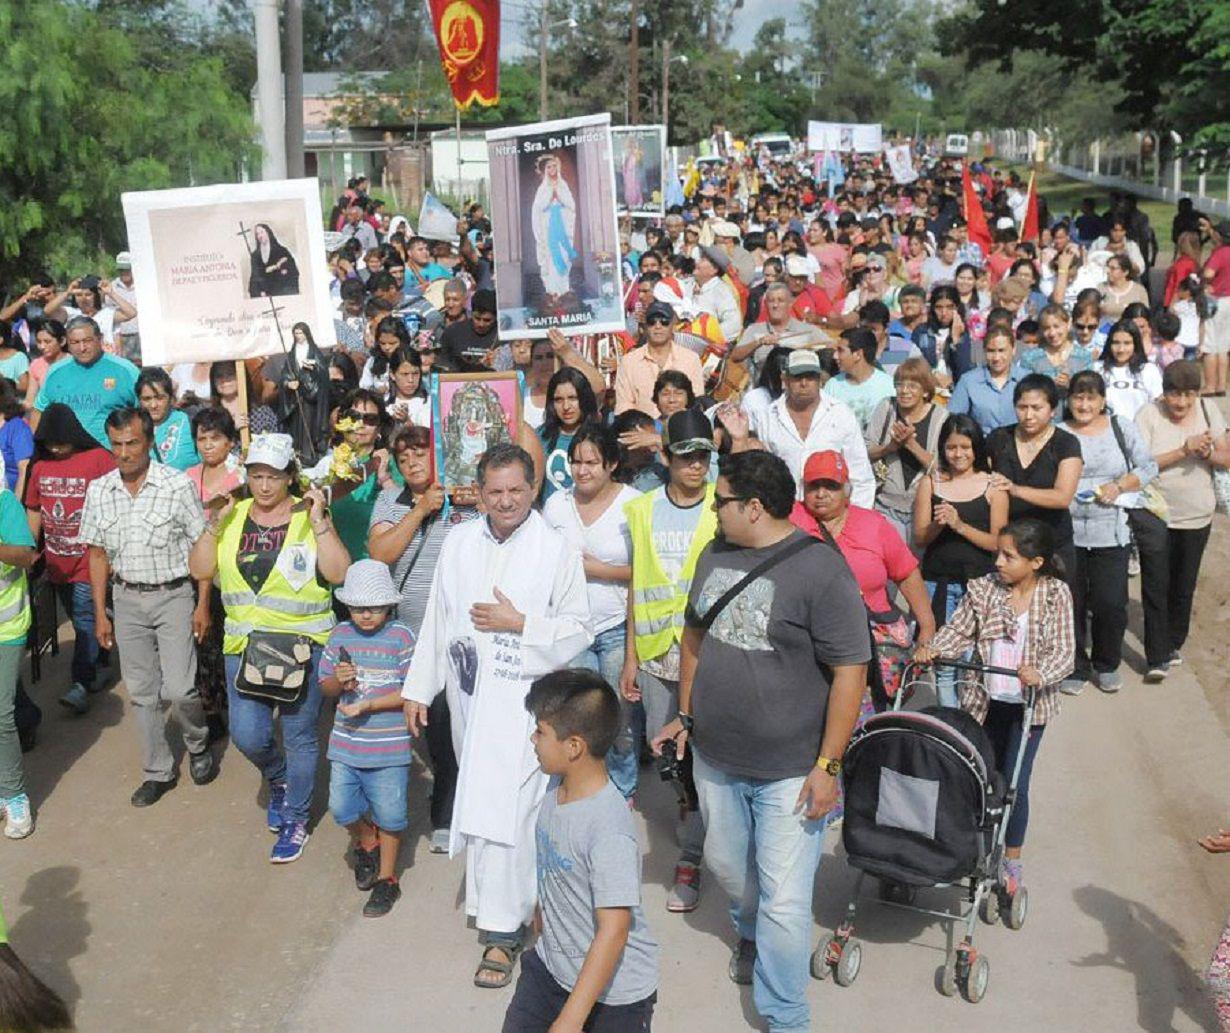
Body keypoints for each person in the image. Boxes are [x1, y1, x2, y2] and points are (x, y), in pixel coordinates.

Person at [651, 449, 870, 1033]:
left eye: (721, 501)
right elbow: (694, 636)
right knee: (728, 867)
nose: (714, 510)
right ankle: (749, 933)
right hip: (716, 759)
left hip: (792, 771)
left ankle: (785, 1014)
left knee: (786, 897)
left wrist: (828, 764)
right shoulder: (714, 554)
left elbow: (852, 669)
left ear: (753, 506)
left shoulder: (822, 571)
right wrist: (685, 716)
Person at [402, 444, 591, 990]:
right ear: (479, 493)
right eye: (495, 491)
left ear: (534, 490)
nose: (506, 501)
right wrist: (420, 687)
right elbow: (439, 618)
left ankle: (503, 934)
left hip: (528, 708)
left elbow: (579, 629)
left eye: (516, 490)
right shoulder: (460, 542)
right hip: (470, 703)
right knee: (487, 807)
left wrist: (521, 623)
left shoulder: (556, 550)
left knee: (512, 814)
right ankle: (508, 907)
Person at [188, 432, 350, 860]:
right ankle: (278, 777)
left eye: (273, 477)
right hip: (243, 646)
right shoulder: (233, 514)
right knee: (248, 734)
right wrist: (212, 525)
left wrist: (321, 522)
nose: (263, 486)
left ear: (290, 478)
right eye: (256, 476)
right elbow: (200, 567)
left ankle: (296, 817)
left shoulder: (307, 515)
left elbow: (338, 574)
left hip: (303, 646)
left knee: (299, 735)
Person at [914, 519, 1075, 896]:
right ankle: (967, 848)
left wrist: (1040, 672)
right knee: (977, 777)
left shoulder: (1056, 595)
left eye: (1009, 556)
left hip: (1028, 708)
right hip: (984, 701)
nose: (999, 562)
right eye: (998, 554)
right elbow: (959, 630)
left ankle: (1011, 860)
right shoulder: (983, 589)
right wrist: (935, 648)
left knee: (1014, 784)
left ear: (1036, 562)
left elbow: (1065, 652)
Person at [504, 669, 659, 1032]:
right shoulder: (554, 788)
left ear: (574, 746)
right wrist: (543, 917)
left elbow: (615, 930)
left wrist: (571, 1019)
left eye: (541, 731)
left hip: (615, 996)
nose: (533, 739)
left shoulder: (608, 828)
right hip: (550, 971)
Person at [79, 407, 216, 806]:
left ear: (150, 442)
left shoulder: (176, 486)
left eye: (133, 443)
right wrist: (102, 612)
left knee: (180, 687)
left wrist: (202, 603)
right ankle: (158, 770)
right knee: (142, 693)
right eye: (117, 444)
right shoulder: (99, 491)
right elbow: (98, 555)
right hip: (126, 599)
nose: (124, 453)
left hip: (174, 595)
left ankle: (198, 742)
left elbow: (202, 547)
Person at [620, 410, 717, 914]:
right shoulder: (641, 510)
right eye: (686, 456)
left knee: (707, 757)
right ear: (666, 458)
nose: (696, 465)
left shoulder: (724, 509)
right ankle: (692, 815)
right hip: (658, 656)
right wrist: (631, 658)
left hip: (711, 659)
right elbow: (639, 583)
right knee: (673, 760)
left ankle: (692, 859)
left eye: (703, 455)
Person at [368, 426, 479, 854]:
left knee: (459, 718)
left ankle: (457, 809)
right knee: (435, 724)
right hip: (414, 636)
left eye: (421, 453)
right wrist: (419, 511)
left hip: (463, 632)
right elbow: (380, 555)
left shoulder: (465, 493)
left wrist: (474, 501)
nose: (412, 462)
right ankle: (447, 809)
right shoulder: (391, 500)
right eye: (404, 456)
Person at [791, 450, 936, 721]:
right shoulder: (791, 521)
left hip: (869, 646)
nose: (821, 493)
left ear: (847, 490)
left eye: (831, 486)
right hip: (810, 644)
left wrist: (927, 626)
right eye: (814, 486)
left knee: (862, 726)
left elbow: (907, 574)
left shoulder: (873, 524)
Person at [542, 427, 641, 800]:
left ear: (611, 464)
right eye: (577, 462)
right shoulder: (556, 506)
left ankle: (622, 787)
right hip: (573, 627)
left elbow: (647, 570)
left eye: (592, 463)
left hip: (616, 625)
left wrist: (602, 571)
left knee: (619, 717)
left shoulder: (633, 505)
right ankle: (586, 785)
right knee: (580, 715)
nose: (583, 471)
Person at [320, 560, 416, 918]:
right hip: (345, 745)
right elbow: (325, 686)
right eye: (358, 608)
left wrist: (370, 704)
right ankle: (366, 838)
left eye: (374, 608)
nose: (365, 616)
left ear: (389, 606)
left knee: (392, 815)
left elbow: (412, 691)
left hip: (390, 747)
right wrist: (339, 682)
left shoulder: (402, 636)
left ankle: (387, 879)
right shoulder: (339, 635)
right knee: (341, 807)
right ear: (347, 607)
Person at [1061, 371, 1158, 694]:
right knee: (1070, 603)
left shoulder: (1121, 427)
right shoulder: (1059, 433)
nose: (1084, 404)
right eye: (1078, 397)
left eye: (1091, 398)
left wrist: (1118, 486)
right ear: (1069, 399)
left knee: (1110, 603)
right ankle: (1075, 665)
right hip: (1067, 533)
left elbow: (1147, 467)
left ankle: (1106, 663)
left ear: (1103, 400)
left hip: (1110, 532)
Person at [1135, 360, 1230, 680]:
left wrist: (1205, 454)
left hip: (1196, 515)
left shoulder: (1208, 411)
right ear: (1164, 394)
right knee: (1155, 584)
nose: (1182, 403)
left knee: (1183, 585)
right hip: (1156, 514)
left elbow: (1226, 457)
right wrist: (1183, 450)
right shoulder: (1148, 415)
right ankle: (1157, 655)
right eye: (1175, 395)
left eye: (1189, 394)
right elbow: (1140, 465)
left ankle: (1174, 641)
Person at [24, 404, 116, 716]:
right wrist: (28, 547)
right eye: (49, 442)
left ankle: (80, 683)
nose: (55, 447)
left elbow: (117, 501)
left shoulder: (99, 459)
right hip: (56, 562)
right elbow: (34, 508)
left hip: (92, 559)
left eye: (60, 440)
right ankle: (101, 660)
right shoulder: (40, 468)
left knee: (84, 617)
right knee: (84, 620)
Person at [913, 414, 1010, 705]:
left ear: (976, 447)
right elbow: (919, 538)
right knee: (944, 662)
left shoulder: (993, 487)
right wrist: (938, 525)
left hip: (979, 586)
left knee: (973, 661)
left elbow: (997, 543)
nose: (959, 454)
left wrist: (959, 525)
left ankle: (971, 723)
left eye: (965, 447)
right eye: (951, 447)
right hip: (937, 582)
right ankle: (949, 725)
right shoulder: (930, 484)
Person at [743, 348, 876, 505]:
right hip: (784, 514)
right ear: (784, 380)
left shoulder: (841, 415)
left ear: (820, 380)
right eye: (797, 377)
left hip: (831, 514)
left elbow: (861, 478)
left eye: (810, 377)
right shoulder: (767, 417)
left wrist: (854, 521)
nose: (804, 383)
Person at [987, 374, 1083, 577]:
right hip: (1009, 546)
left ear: (1052, 410)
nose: (1028, 415)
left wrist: (1015, 489)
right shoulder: (998, 439)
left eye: (1037, 408)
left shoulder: (1066, 443)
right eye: (1022, 407)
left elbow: (1063, 497)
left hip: (1053, 543)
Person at [864, 357, 946, 542]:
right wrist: (890, 447)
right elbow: (865, 451)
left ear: (925, 391)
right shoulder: (886, 408)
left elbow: (943, 470)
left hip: (923, 510)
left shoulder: (941, 418)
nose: (904, 391)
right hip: (886, 506)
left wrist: (911, 445)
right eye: (900, 385)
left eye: (912, 386)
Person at [32, 316, 138, 448]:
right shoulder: (55, 372)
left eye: (87, 341)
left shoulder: (125, 371)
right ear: (67, 343)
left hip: (111, 457)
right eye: (75, 342)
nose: (82, 348)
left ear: (100, 338)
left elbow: (144, 413)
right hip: (68, 458)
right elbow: (39, 411)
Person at [0, 479, 37, 838]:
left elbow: (27, 556)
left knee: (0, 715)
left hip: (5, 626)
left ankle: (14, 795)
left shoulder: (4, 502)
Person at [613, 300, 705, 417]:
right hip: (641, 431)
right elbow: (624, 408)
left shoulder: (691, 359)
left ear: (673, 325)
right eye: (652, 321)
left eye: (664, 321)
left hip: (682, 431)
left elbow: (696, 404)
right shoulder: (628, 362)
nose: (658, 326)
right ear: (645, 326)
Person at [269, 322, 333, 464]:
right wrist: (288, 383)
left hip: (311, 395)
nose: (298, 336)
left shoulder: (314, 351)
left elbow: (323, 372)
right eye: (296, 333)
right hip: (295, 398)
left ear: (306, 334)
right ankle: (296, 454)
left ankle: (309, 454)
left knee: (309, 425)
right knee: (296, 426)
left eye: (300, 333)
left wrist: (313, 368)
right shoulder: (292, 353)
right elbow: (286, 373)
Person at [947, 325, 1027, 434]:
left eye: (1002, 350)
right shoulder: (969, 381)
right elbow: (954, 420)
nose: (996, 357)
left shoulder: (1027, 379)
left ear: (1013, 350)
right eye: (991, 351)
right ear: (984, 351)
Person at [538, 367, 599, 502]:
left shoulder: (600, 437)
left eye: (572, 398)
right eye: (559, 400)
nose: (566, 406)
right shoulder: (540, 437)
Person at [824, 328, 896, 431]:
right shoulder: (832, 386)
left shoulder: (889, 386)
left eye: (840, 351)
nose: (835, 356)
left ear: (858, 354)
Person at [1019, 304, 1094, 402]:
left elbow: (1090, 391)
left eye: (1056, 326)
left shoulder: (1083, 357)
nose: (1052, 333)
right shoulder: (1030, 358)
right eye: (1046, 328)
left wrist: (1071, 385)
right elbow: (1024, 390)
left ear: (1068, 324)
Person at [1094, 319, 1163, 420]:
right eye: (1116, 343)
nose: (1121, 349)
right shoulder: (1097, 369)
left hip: (1140, 431)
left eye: (1127, 343)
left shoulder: (1149, 370)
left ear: (1135, 345)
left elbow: (1158, 403)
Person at [532, 154, 579, 299]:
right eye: (548, 167)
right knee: (551, 260)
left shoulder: (563, 185)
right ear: (545, 170)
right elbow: (538, 209)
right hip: (549, 229)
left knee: (564, 257)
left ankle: (564, 290)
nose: (552, 169)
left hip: (562, 229)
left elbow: (571, 205)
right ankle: (552, 292)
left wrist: (559, 195)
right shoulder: (542, 188)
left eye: (554, 166)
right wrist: (550, 196)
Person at [135, 367, 199, 471]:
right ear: (139, 400)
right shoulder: (133, 428)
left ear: (170, 398)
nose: (153, 405)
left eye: (160, 398)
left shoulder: (190, 421)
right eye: (147, 399)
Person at [1201, 221, 1230, 396]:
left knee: (1210, 344)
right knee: (1223, 345)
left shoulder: (1220, 253)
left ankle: (1210, 385)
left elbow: (1208, 273)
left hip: (1216, 299)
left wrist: (1204, 282)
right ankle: (1221, 385)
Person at [23, 319, 69, 413]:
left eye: (47, 342)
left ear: (62, 341)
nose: (42, 346)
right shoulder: (36, 365)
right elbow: (30, 400)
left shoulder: (74, 363)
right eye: (39, 342)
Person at [247, 223, 300, 297]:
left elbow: (293, 273)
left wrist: (281, 270)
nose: (260, 236)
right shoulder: (255, 256)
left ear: (268, 233)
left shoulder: (282, 251)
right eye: (257, 234)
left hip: (280, 292)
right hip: (263, 295)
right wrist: (259, 292)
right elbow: (254, 278)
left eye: (262, 232)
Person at [385, 347, 431, 428]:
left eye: (415, 373)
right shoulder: (383, 404)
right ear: (392, 375)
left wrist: (407, 423)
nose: (411, 380)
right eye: (405, 374)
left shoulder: (430, 403)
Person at [1099, 254, 1149, 322]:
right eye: (1107, 268)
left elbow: (1145, 315)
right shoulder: (1100, 288)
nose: (1108, 271)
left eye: (1113, 268)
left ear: (1125, 272)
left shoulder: (1139, 290)